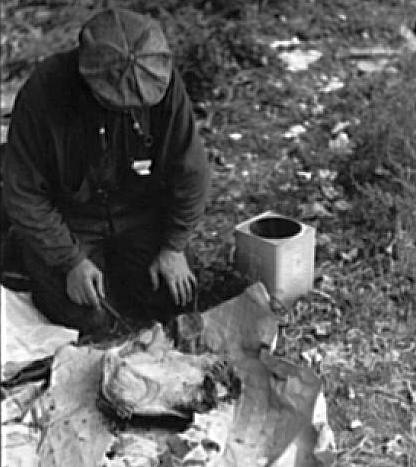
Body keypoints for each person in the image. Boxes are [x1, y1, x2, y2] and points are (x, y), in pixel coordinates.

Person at [3, 8, 210, 335]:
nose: (128, 109)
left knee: (176, 300)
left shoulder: (164, 82)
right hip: (70, 220)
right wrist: (68, 260)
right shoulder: (45, 90)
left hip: (137, 214)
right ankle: (24, 249)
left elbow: (191, 172)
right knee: (90, 318)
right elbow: (23, 192)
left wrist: (173, 247)